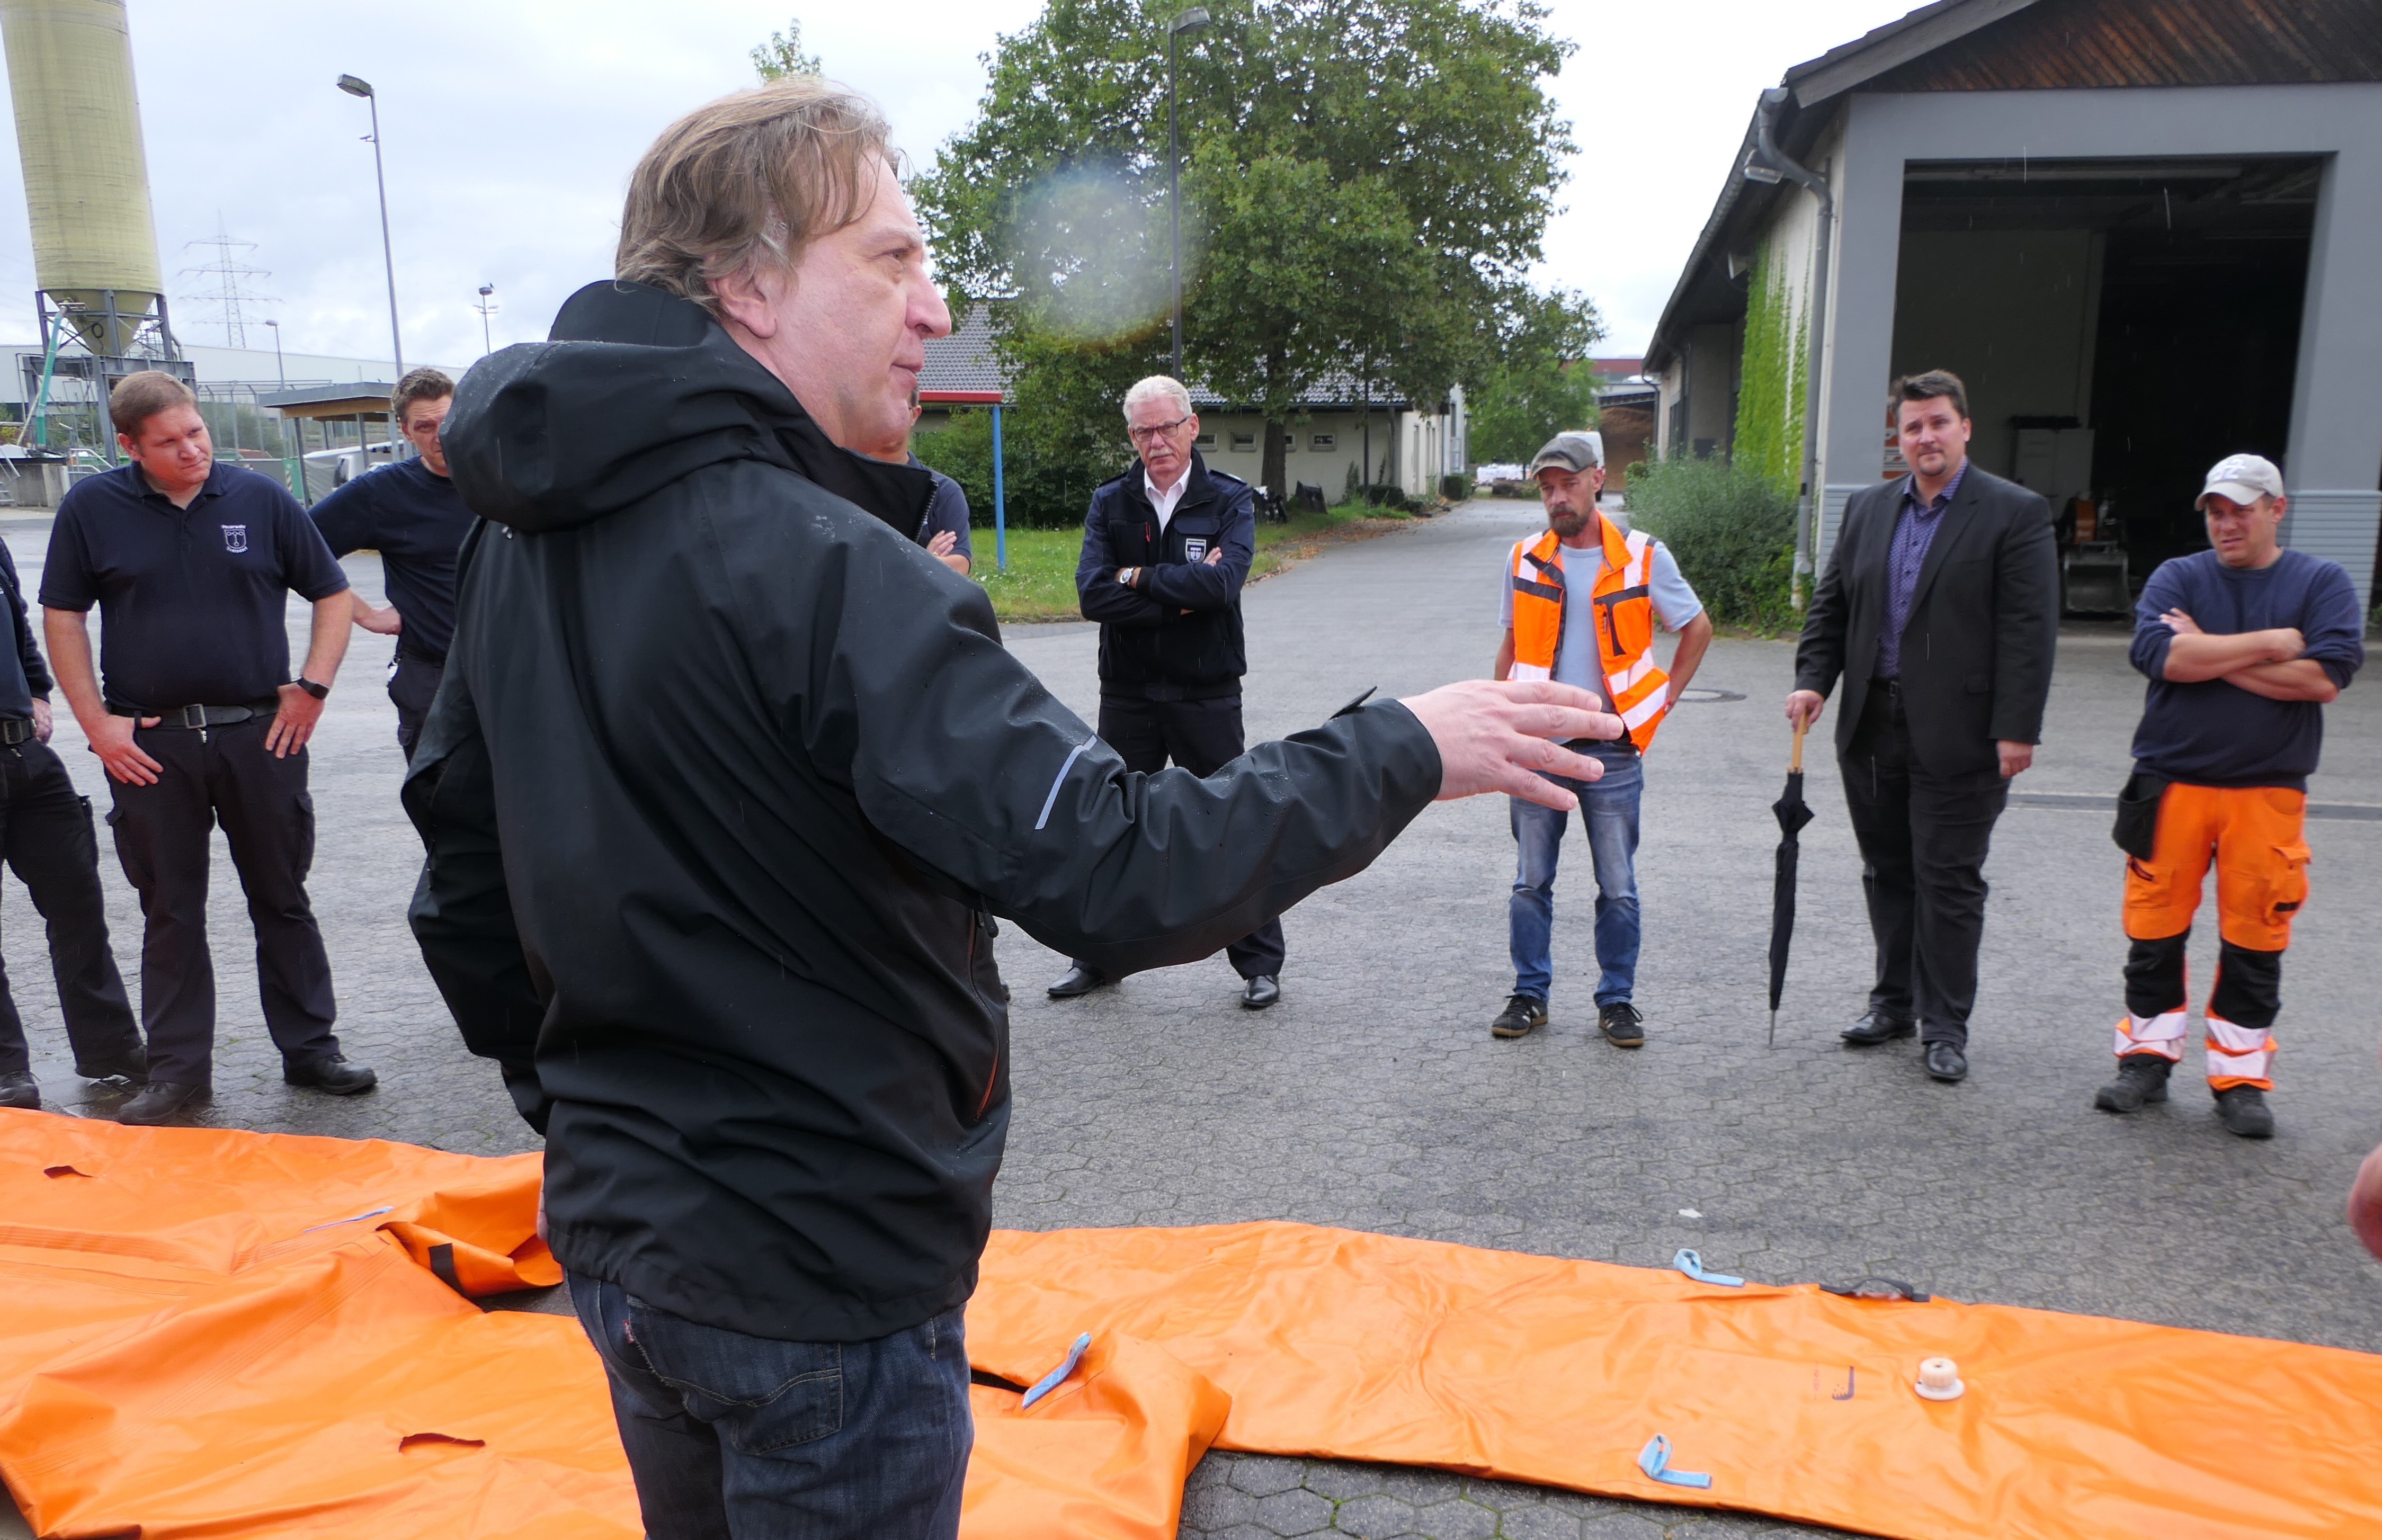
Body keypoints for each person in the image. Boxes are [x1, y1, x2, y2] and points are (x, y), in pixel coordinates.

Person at [404, 78, 1617, 1540]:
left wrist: (597, 1122)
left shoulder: (521, 541)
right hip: (821, 1286)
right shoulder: (826, 565)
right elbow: (1116, 868)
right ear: (748, 288)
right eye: (894, 260)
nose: (932, 307)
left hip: (628, 1249)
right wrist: (1404, 745)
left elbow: (464, 891)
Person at [41, 370, 376, 1127]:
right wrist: (95, 724)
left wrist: (312, 687)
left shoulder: (259, 500)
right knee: (171, 910)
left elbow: (329, 591)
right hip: (152, 745)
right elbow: (62, 615)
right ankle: (179, 1072)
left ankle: (311, 1049)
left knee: (283, 898)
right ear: (129, 447)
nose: (193, 450)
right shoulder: (93, 508)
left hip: (261, 733)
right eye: (170, 442)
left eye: (197, 433)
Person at [1783, 370, 2057, 1085]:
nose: (1925, 437)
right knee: (1889, 871)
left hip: (1964, 731)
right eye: (1912, 427)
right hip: (1873, 723)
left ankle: (1945, 1026)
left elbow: (2029, 632)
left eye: (1938, 423)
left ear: (1964, 427)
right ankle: (1892, 1003)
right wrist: (1813, 679)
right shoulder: (1869, 510)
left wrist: (2016, 728)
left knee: (1949, 878)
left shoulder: (2013, 513)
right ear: (1898, 439)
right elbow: (1832, 606)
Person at [2092, 453, 2361, 1139]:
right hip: (2169, 781)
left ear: (2278, 508)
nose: (2225, 522)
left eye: (2241, 508)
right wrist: (2269, 645)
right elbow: (2162, 659)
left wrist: (2209, 650)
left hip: (2266, 791)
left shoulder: (2320, 581)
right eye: (2215, 510)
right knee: (2153, 930)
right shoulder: (2177, 576)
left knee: (2256, 935)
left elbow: (2324, 679)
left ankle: (2239, 1080)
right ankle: (2145, 1061)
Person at [1047, 375, 1284, 1009]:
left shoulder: (1228, 499)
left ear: (1192, 426)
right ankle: (1097, 958)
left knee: (1230, 820)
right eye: (1143, 431)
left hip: (1206, 692)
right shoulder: (1111, 502)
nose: (1157, 442)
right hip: (1127, 693)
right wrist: (1175, 596)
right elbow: (1093, 595)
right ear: (1132, 436)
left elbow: (1223, 586)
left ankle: (1261, 964)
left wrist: (1139, 582)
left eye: (1166, 427)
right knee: (1112, 824)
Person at [1488, 432, 1712, 1046]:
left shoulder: (1643, 556)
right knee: (1530, 880)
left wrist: (1661, 702)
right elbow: (1511, 647)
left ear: (1598, 479)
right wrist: (1498, 720)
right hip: (1539, 743)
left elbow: (1696, 628)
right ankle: (1529, 994)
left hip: (1613, 746)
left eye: (1567, 484)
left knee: (1617, 885)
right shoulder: (1525, 557)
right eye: (1547, 489)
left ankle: (1617, 1001)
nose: (1557, 498)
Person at [0, 536, 146, 1111]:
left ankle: (109, 1046)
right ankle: (7, 1067)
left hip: (25, 759)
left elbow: (15, 624)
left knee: (78, 903)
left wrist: (37, 691)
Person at [309, 368, 476, 759]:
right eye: (425, 426)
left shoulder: (506, 480)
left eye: (449, 421)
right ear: (405, 431)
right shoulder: (382, 493)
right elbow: (296, 551)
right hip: (434, 679)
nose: (440, 435)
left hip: (518, 671)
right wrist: (365, 613)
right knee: (443, 809)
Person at [861, 386, 971, 574]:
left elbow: (961, 565)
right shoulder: (845, 483)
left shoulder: (944, 491)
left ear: (915, 415)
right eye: (881, 408)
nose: (890, 418)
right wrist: (924, 560)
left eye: (899, 408)